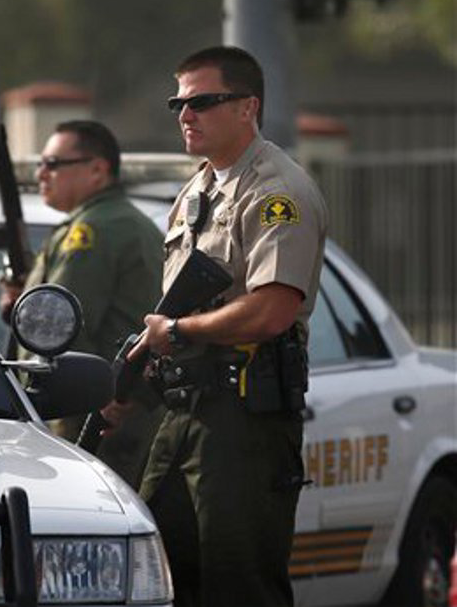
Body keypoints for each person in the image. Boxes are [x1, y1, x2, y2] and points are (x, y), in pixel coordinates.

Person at [102, 46, 328, 606]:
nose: (185, 114)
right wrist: (132, 388)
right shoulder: (196, 191)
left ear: (248, 107)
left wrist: (178, 332)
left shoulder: (276, 193)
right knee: (158, 576)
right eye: (178, 103)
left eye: (202, 101)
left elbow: (272, 309)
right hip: (182, 411)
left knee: (239, 585)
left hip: (242, 421)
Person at [0, 119, 164, 486]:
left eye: (54, 164)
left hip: (86, 423)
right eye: (40, 164)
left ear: (97, 169)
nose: (42, 173)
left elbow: (58, 332)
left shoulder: (92, 231)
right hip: (115, 417)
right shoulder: (115, 222)